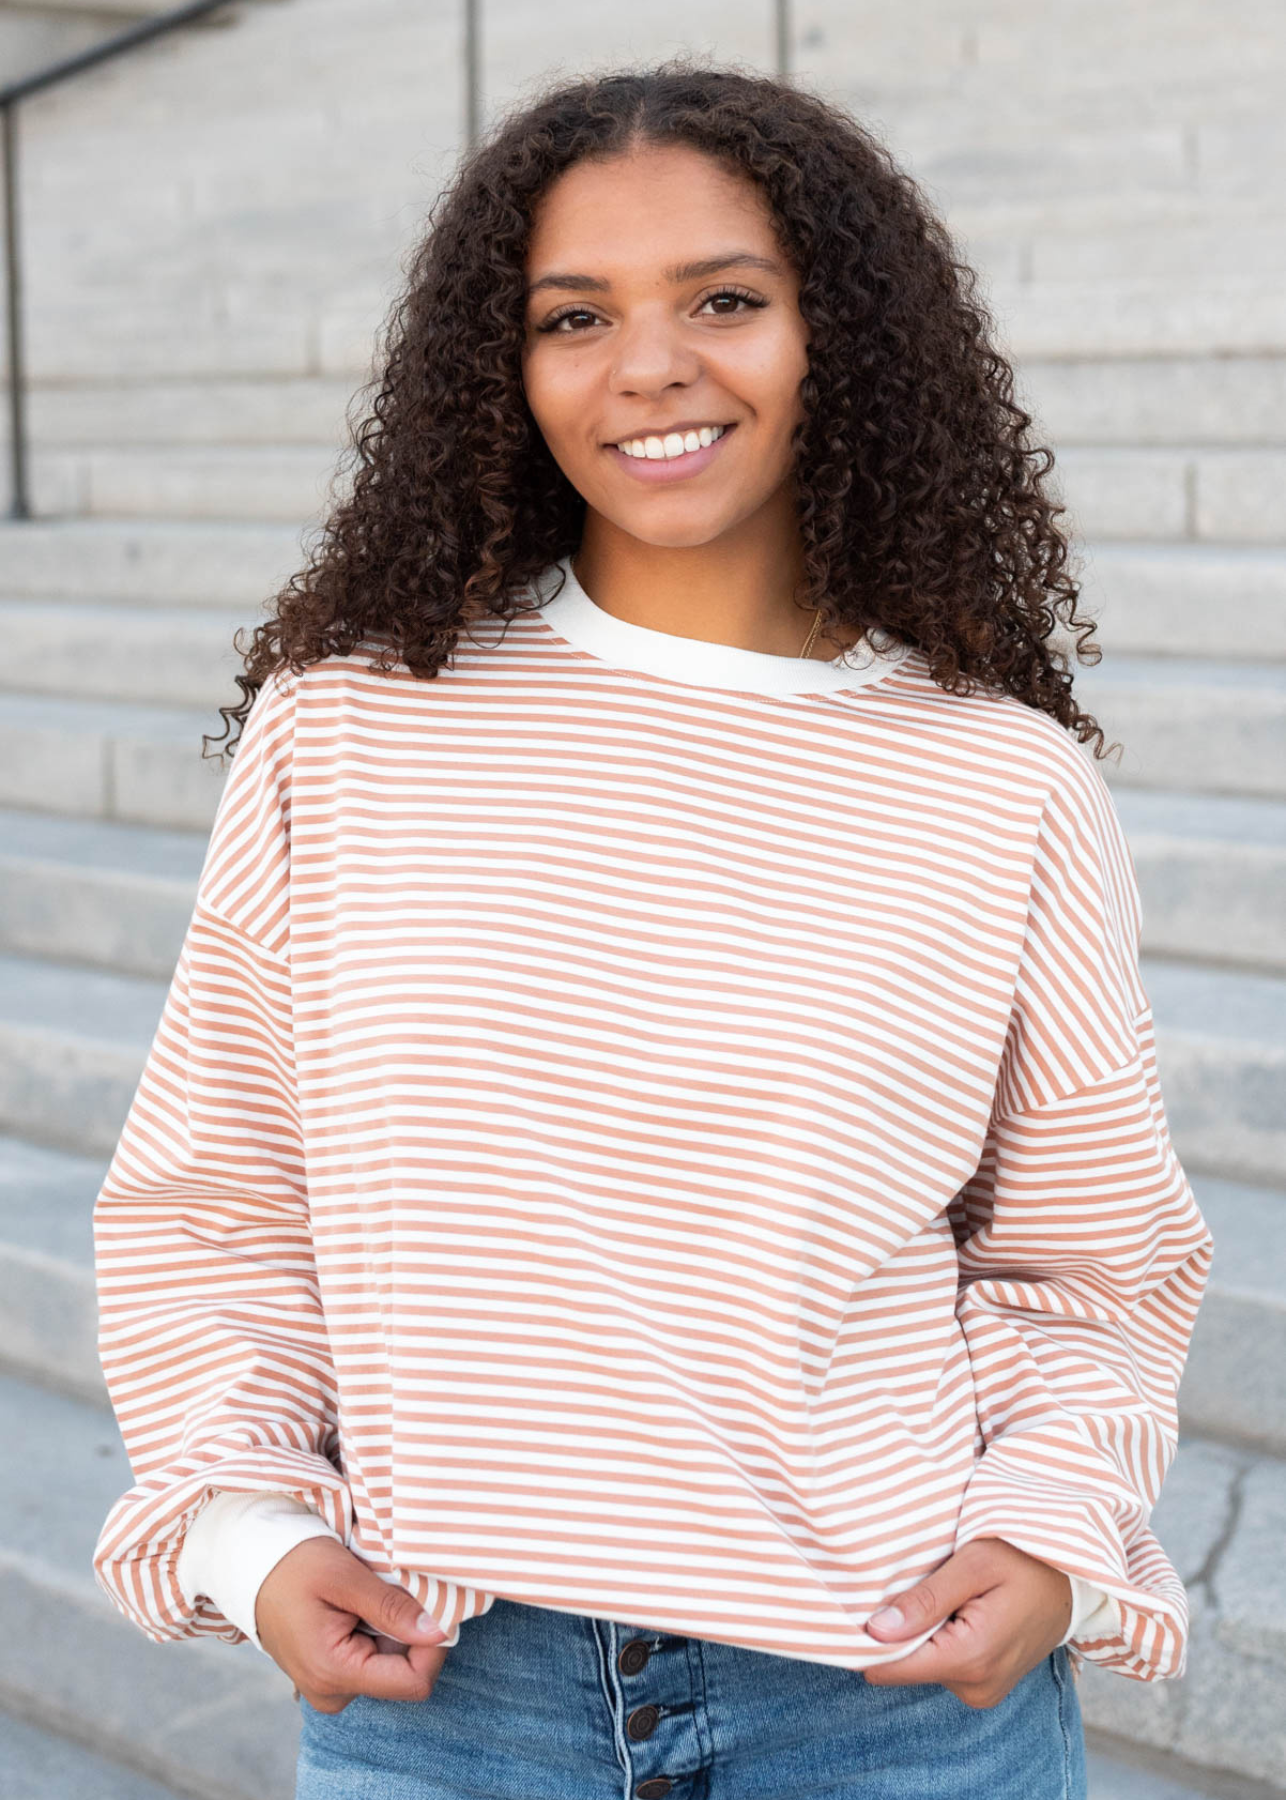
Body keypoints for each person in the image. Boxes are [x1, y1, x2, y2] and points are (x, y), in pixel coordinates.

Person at [90, 60, 1214, 1800]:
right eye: (572, 316)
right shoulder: (355, 728)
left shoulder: (1001, 782)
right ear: (503, 367)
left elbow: (1089, 1264)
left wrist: (1053, 1536)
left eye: (725, 301)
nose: (648, 367)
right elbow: (219, 1197)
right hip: (448, 1704)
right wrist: (242, 1532)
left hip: (886, 1705)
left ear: (836, 334)